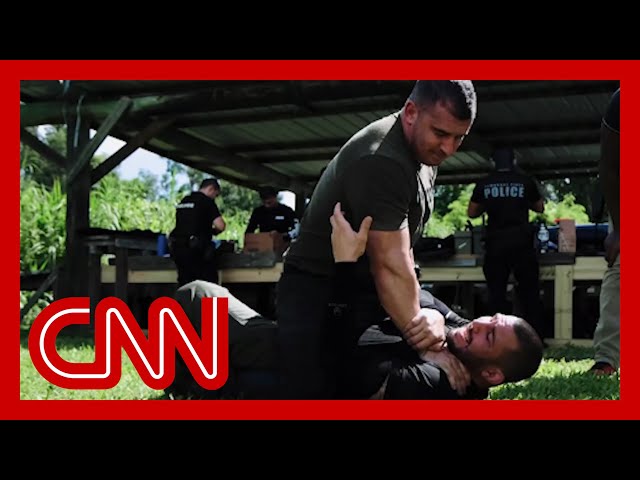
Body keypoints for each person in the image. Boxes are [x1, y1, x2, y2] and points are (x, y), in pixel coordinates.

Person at [166, 203, 544, 400]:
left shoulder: (434, 384)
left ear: (492, 375)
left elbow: (344, 354)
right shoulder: (460, 345)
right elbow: (424, 299)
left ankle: (184, 379)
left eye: (489, 336)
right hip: (297, 339)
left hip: (294, 353)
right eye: (490, 318)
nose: (478, 324)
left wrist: (346, 265)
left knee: (198, 294)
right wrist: (438, 324)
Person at [276, 80, 478, 399]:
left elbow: (400, 255)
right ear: (410, 112)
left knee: (460, 383)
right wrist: (428, 348)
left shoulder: (423, 150)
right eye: (441, 134)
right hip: (317, 292)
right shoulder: (383, 159)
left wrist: (433, 318)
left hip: (367, 289)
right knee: (316, 393)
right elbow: (390, 264)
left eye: (459, 138)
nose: (449, 149)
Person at [467, 147, 546, 342]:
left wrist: (491, 204)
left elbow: (472, 212)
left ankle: (496, 339)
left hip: (496, 243)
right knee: (530, 292)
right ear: (514, 162)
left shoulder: (484, 183)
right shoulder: (525, 181)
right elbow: (540, 207)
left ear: (493, 163)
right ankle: (535, 338)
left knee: (496, 293)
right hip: (522, 243)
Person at [590, 88, 620, 376]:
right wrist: (620, 230)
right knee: (621, 268)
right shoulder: (623, 101)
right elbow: (610, 167)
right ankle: (607, 357)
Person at [168, 178, 226, 287]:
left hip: (178, 248)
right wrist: (213, 231)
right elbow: (221, 225)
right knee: (209, 284)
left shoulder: (184, 200)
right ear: (211, 189)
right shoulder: (207, 202)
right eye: (216, 195)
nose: (215, 198)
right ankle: (210, 300)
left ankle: (185, 299)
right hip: (197, 250)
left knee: (185, 283)